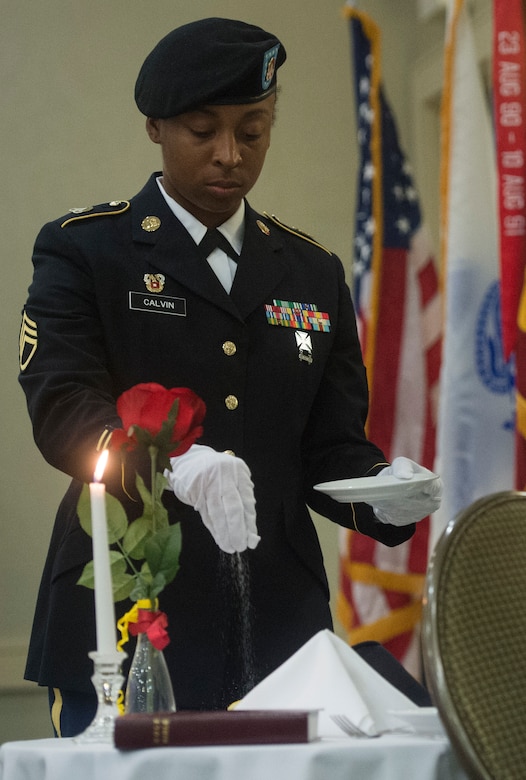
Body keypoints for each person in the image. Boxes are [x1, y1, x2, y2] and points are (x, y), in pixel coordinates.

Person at [18, 18, 441, 738]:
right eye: (202, 130)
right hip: (130, 609)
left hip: (282, 625)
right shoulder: (88, 250)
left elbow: (329, 445)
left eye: (252, 131)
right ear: (156, 126)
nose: (229, 156)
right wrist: (169, 466)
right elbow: (63, 407)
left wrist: (382, 491)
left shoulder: (309, 271)